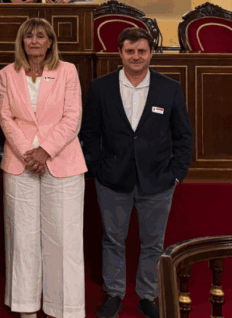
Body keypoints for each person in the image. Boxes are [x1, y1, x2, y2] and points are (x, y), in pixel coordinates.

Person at [80, 28, 193, 318]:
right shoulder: (101, 88)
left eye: (142, 51)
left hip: (158, 181)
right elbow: (89, 135)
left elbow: (183, 136)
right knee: (112, 240)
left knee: (153, 243)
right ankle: (114, 294)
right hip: (111, 180)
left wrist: (176, 174)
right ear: (120, 53)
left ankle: (148, 296)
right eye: (130, 51)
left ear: (151, 54)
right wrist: (97, 169)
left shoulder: (169, 88)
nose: (136, 57)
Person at [0, 18, 86, 318]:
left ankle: (64, 308)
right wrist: (29, 154)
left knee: (63, 237)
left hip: (63, 161)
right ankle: (26, 307)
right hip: (20, 162)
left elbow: (72, 117)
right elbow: (6, 118)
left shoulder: (68, 71)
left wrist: (45, 151)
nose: (34, 41)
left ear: (50, 42)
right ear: (22, 42)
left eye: (40, 36)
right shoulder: (7, 73)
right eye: (29, 36)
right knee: (22, 237)